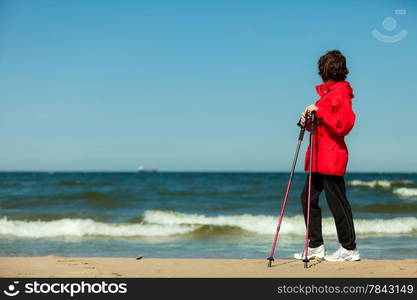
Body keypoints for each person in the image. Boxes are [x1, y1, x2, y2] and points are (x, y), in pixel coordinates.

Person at [294, 50, 360, 262]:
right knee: (307, 199)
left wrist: (319, 112)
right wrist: (307, 119)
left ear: (325, 71)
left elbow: (343, 126)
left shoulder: (341, 94)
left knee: (337, 202)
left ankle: (349, 249)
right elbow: (321, 126)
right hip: (318, 157)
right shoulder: (326, 96)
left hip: (331, 158)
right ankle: (315, 246)